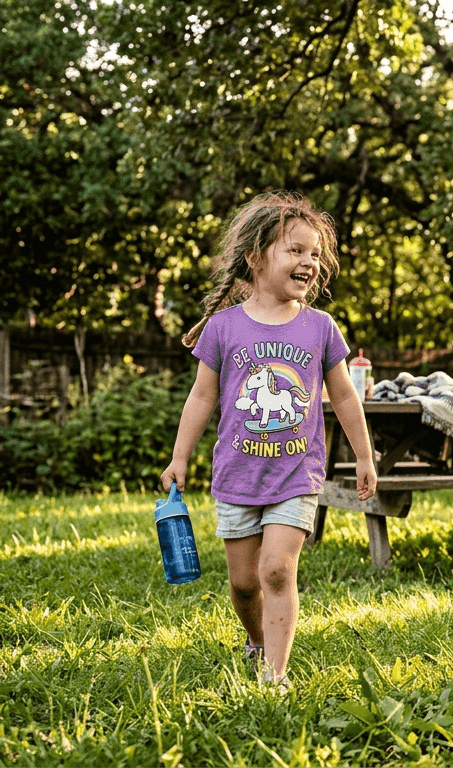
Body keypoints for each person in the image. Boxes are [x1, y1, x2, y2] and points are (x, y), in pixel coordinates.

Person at [161, 190, 376, 687]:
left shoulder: (320, 327)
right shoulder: (223, 327)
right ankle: (256, 642)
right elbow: (200, 399)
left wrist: (364, 455)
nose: (310, 262)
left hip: (295, 474)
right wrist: (179, 458)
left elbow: (344, 397)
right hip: (237, 474)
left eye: (316, 254)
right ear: (256, 258)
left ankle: (274, 676)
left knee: (276, 570)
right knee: (242, 586)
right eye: (296, 250)